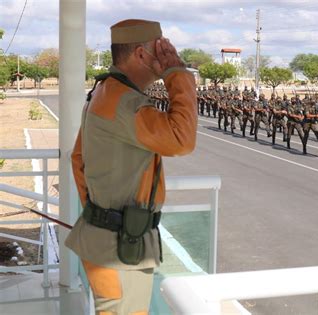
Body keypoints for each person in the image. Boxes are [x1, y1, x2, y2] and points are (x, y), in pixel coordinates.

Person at [65, 19, 197, 314]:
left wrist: (101, 212)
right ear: (140, 54)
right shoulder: (125, 102)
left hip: (110, 238)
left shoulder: (103, 91)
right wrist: (178, 74)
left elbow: (78, 159)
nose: (166, 56)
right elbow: (181, 139)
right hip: (119, 248)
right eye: (160, 50)